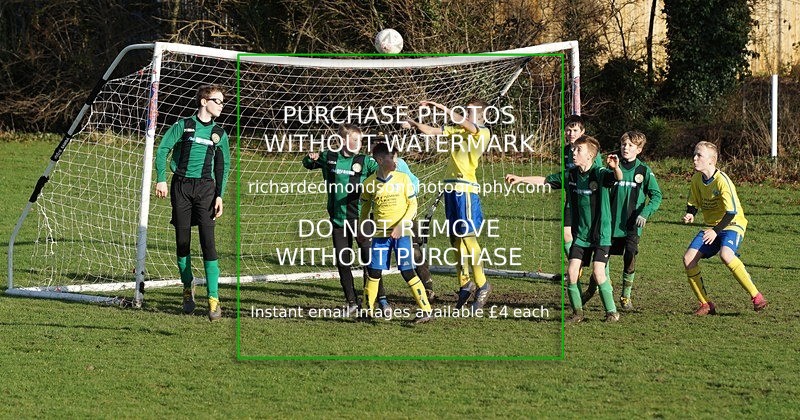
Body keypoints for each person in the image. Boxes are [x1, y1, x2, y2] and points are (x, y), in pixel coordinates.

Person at [402, 97, 492, 310]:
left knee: (468, 237)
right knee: (455, 239)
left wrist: (439, 106)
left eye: (469, 111)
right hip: (451, 189)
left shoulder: (483, 132)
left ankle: (483, 284)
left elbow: (465, 123)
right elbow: (432, 131)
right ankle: (465, 283)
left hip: (466, 189)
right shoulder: (459, 130)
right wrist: (413, 123)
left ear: (480, 115)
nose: (466, 114)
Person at [155, 84, 230, 321]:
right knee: (182, 242)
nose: (221, 105)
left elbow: (223, 166)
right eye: (217, 101)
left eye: (222, 101)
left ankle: (213, 299)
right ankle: (187, 287)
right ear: (203, 102)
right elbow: (163, 149)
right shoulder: (183, 126)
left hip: (206, 190)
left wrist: (220, 194)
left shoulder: (220, 134)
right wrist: (161, 179)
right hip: (182, 187)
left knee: (209, 242)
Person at [302, 124, 391, 316]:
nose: (359, 144)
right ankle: (352, 302)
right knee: (343, 262)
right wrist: (310, 157)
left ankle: (381, 299)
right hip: (338, 221)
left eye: (360, 140)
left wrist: (388, 164)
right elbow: (308, 164)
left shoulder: (365, 161)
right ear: (343, 141)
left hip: (361, 220)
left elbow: (384, 172)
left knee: (370, 261)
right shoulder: (329, 157)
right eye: (355, 140)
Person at [682, 141, 767, 315]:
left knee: (726, 255)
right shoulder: (697, 178)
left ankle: (756, 296)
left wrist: (715, 231)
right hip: (713, 227)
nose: (695, 158)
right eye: (695, 154)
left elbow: (731, 212)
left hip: (732, 224)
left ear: (712, 161)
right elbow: (693, 202)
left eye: (699, 155)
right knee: (688, 259)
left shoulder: (722, 181)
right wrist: (691, 213)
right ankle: (706, 304)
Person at [358, 142, 432, 323]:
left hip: (403, 233)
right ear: (380, 160)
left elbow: (413, 205)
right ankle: (367, 312)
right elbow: (365, 207)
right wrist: (361, 228)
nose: (396, 162)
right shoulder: (369, 184)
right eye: (392, 158)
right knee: (374, 272)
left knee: (407, 272)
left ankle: (426, 310)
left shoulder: (403, 179)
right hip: (380, 236)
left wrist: (402, 225)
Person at [563, 135, 622, 323]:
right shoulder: (572, 174)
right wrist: (521, 179)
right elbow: (548, 180)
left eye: (578, 150)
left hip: (601, 234)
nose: (573, 152)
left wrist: (616, 168)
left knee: (598, 272)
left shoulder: (599, 172)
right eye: (573, 149)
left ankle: (612, 312)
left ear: (590, 156)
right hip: (581, 234)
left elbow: (616, 178)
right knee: (571, 272)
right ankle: (578, 313)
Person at [601, 131, 662, 311]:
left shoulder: (644, 170)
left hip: (632, 225)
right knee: (603, 257)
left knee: (630, 255)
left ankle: (626, 296)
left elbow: (657, 195)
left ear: (639, 149)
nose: (625, 148)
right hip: (609, 223)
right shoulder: (611, 166)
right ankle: (607, 290)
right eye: (623, 144)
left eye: (630, 146)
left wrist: (645, 213)